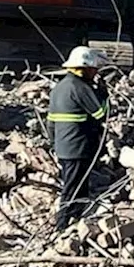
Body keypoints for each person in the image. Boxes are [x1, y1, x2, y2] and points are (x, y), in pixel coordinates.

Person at [47, 46, 110, 230]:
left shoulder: (59, 87)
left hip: (64, 146)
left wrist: (54, 144)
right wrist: (102, 93)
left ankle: (76, 220)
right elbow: (101, 113)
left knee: (78, 186)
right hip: (78, 146)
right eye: (94, 69)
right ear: (85, 67)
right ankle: (62, 224)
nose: (96, 72)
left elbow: (51, 123)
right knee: (72, 188)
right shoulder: (80, 87)